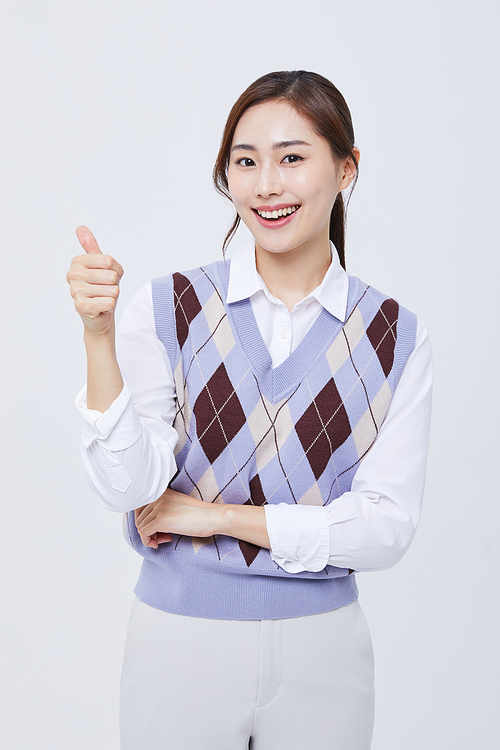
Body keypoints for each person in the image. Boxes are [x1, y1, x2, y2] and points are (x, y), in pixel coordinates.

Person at [67, 70, 432, 750]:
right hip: (178, 643)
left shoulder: (395, 336)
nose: (265, 184)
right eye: (245, 161)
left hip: (325, 651)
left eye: (292, 157)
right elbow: (128, 487)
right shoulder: (168, 308)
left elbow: (384, 529)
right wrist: (98, 339)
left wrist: (215, 518)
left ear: (346, 168)